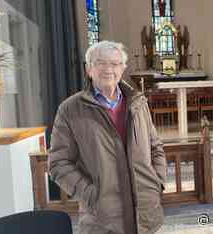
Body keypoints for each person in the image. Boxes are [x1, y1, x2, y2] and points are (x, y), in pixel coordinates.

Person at [48, 40, 166, 234]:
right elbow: (58, 163)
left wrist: (157, 182)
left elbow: (155, 147)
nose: (108, 69)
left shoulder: (138, 103)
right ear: (89, 69)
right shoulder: (70, 109)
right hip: (103, 219)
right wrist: (91, 195)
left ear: (123, 68)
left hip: (145, 213)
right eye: (100, 63)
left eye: (114, 63)